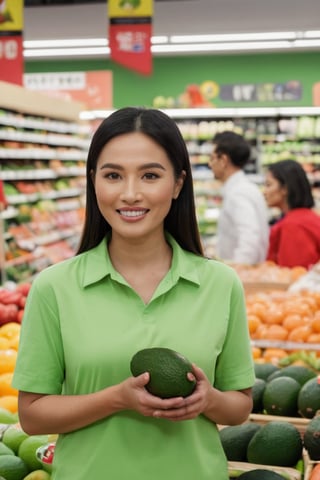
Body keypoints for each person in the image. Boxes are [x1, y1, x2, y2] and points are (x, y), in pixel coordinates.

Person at [12, 107, 254, 480]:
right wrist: (117, 399)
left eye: (150, 175)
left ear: (177, 184)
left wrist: (210, 400)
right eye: (113, 175)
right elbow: (31, 415)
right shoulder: (54, 288)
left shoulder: (220, 284)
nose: (129, 194)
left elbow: (239, 408)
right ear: (94, 182)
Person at [209, 131, 269, 265]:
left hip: (241, 276)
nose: (210, 164)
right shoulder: (244, 188)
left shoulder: (238, 193)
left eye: (212, 158)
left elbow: (250, 238)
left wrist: (236, 272)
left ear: (223, 160)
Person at [264, 158, 320, 269]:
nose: (265, 191)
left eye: (269, 185)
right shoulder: (306, 217)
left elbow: (294, 273)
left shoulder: (294, 225)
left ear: (285, 189)